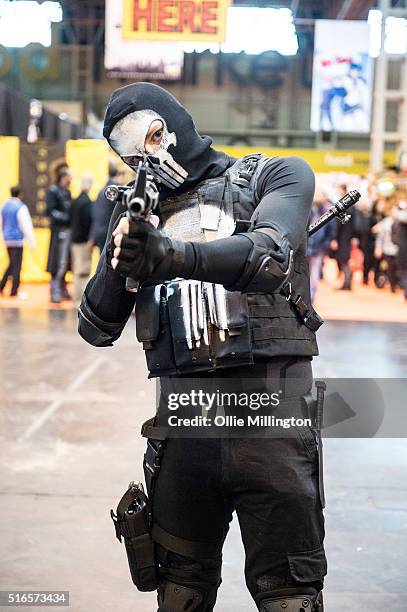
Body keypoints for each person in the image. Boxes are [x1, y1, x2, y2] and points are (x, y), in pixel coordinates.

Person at [78, 83, 326, 612]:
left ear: (166, 125)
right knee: (180, 596)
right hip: (184, 430)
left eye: (144, 138)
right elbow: (97, 326)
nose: (140, 156)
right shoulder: (138, 216)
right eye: (126, 154)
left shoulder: (275, 174)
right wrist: (123, 254)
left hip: (272, 425)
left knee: (290, 597)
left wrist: (171, 256)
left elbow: (268, 259)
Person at [0, 186, 35, 297]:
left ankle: (2, 285)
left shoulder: (4, 206)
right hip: (17, 239)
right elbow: (25, 225)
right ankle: (14, 290)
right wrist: (31, 241)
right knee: (16, 266)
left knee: (12, 264)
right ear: (20, 194)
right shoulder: (20, 207)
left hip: (7, 239)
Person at [46, 167, 72, 303]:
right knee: (57, 261)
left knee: (65, 261)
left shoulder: (67, 192)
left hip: (68, 230)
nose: (71, 178)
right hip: (58, 231)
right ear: (64, 176)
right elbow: (50, 211)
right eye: (69, 176)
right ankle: (54, 291)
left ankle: (62, 288)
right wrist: (66, 217)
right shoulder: (53, 191)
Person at [70, 173, 94, 308]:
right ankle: (78, 300)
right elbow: (87, 223)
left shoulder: (75, 201)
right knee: (83, 271)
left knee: (76, 270)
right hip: (83, 241)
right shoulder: (87, 203)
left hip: (74, 240)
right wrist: (90, 239)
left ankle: (76, 297)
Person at [307, 190, 335, 301]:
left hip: (319, 247)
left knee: (314, 272)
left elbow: (332, 230)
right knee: (304, 272)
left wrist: (326, 243)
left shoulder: (328, 211)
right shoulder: (310, 209)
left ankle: (311, 296)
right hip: (306, 245)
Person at [91, 164, 125, 254]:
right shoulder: (114, 193)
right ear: (118, 175)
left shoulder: (103, 191)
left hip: (99, 231)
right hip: (107, 232)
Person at [374, 204, 399, 293]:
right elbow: (380, 237)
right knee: (389, 268)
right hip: (387, 249)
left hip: (398, 250)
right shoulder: (386, 222)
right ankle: (392, 286)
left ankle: (396, 284)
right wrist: (378, 247)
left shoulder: (401, 222)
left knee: (398, 269)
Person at [392, 201, 407, 302]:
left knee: (403, 273)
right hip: (401, 250)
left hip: (403, 251)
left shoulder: (399, 221)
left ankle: (405, 294)